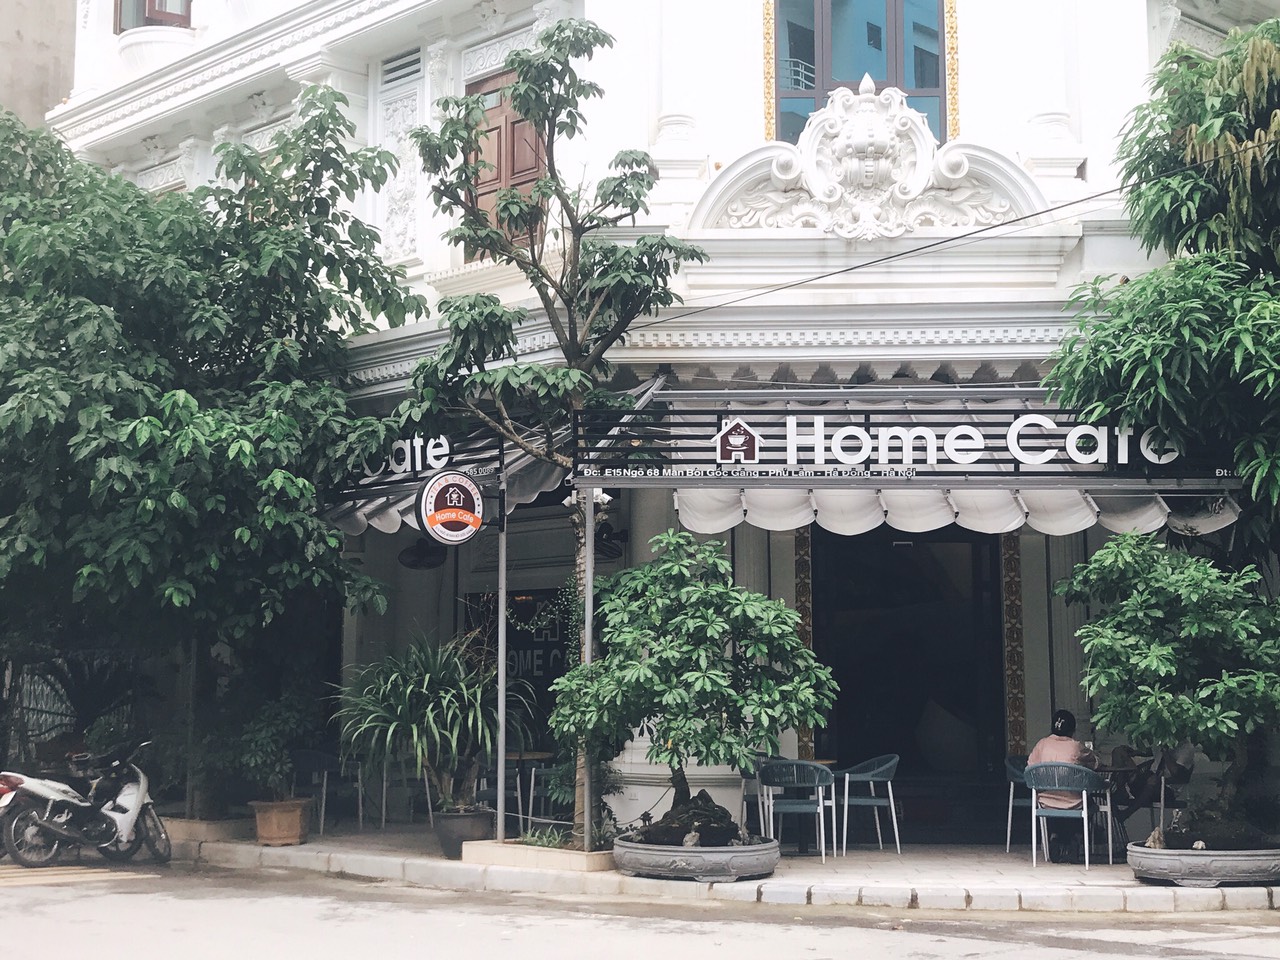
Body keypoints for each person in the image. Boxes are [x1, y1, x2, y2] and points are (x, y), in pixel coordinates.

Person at [1027, 709, 1098, 863]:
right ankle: (1076, 838)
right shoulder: (1076, 746)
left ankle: (1055, 836)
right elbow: (1094, 762)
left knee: (1056, 802)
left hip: (1046, 801)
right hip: (1074, 801)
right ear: (1073, 729)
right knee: (1088, 803)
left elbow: (1030, 766)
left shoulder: (1042, 744)